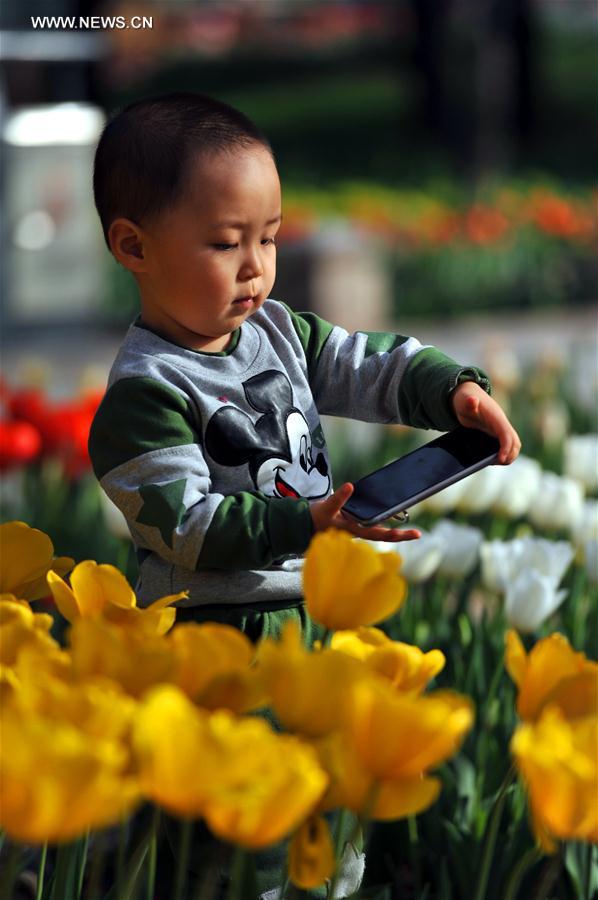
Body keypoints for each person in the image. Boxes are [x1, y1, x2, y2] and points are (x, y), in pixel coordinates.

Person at [88, 91, 520, 897]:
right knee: (242, 838)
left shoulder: (278, 332)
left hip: (310, 621)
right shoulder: (144, 397)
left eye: (271, 239)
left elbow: (367, 362)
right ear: (133, 245)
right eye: (226, 244)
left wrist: (449, 392)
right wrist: (307, 520)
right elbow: (186, 526)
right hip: (215, 640)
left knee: (326, 823)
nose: (257, 266)